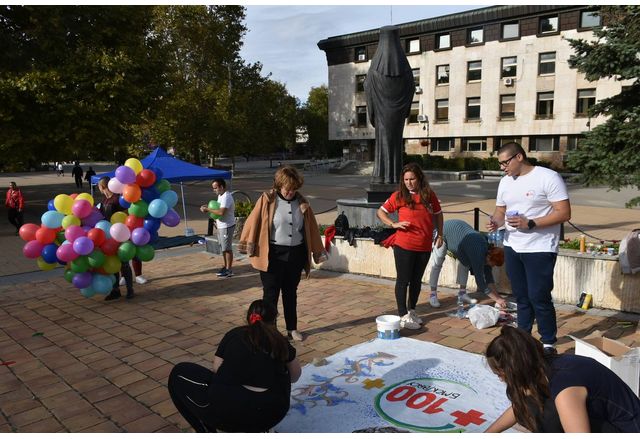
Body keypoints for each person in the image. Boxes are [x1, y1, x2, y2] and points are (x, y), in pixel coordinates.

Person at [487, 142, 571, 354]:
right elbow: (500, 210)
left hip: (540, 247)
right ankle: (522, 337)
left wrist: (531, 223)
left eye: (505, 162)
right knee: (521, 296)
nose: (502, 167)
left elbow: (564, 212)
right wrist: (495, 221)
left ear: (519, 157)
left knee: (539, 296)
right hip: (513, 245)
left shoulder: (547, 177)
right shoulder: (505, 182)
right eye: (499, 164)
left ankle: (548, 342)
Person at [168, 299, 301, 432]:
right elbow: (295, 376)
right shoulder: (280, 342)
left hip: (230, 414)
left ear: (249, 317)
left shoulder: (234, 335)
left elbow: (216, 368)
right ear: (274, 320)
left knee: (178, 374)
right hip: (272, 413)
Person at [485, 326, 640, 433]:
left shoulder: (565, 388)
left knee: (547, 416)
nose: (500, 380)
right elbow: (518, 406)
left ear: (518, 371)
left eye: (501, 375)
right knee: (531, 402)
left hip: (627, 429)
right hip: (605, 420)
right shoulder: (541, 365)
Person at [238, 166, 327, 342]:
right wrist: (248, 244)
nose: (290, 192)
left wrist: (316, 251)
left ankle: (291, 329)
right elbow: (252, 222)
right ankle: (269, 331)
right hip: (272, 255)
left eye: (294, 189)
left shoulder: (302, 203)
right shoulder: (267, 200)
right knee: (270, 295)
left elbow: (311, 229)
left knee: (290, 293)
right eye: (287, 189)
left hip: (295, 254)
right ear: (279, 186)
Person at [377, 162, 443, 330]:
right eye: (406, 179)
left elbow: (438, 214)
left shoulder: (429, 195)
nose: (408, 182)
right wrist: (393, 224)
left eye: (412, 179)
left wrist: (440, 234)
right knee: (403, 280)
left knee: (416, 281)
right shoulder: (398, 196)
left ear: (419, 178)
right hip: (404, 246)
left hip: (424, 246)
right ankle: (402, 315)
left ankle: (412, 310)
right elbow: (381, 212)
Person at [364, 26, 415, 184]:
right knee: (396, 144)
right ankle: (395, 177)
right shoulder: (405, 68)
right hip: (397, 116)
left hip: (381, 116)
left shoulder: (374, 70)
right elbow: (411, 88)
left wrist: (372, 113)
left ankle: (380, 176)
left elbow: (368, 88)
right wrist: (404, 109)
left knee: (382, 144)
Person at [428, 219, 507, 308]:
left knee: (465, 263)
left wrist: (498, 297)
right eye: (494, 264)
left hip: (462, 237)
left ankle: (462, 294)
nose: (493, 266)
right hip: (445, 232)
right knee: (437, 263)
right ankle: (433, 294)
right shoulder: (478, 254)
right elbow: (481, 283)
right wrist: (497, 299)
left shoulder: (488, 251)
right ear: (489, 257)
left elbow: (488, 277)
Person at [97, 176, 134, 300]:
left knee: (124, 262)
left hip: (120, 234)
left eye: (99, 187)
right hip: (108, 235)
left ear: (102, 187)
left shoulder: (118, 199)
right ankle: (115, 290)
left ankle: (130, 289)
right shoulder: (104, 200)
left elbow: (127, 214)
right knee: (112, 263)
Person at [200, 179, 235, 278]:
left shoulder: (226, 197)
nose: (214, 190)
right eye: (213, 188)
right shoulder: (220, 196)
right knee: (223, 248)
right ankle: (226, 266)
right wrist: (207, 208)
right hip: (221, 226)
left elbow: (221, 212)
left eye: (215, 188)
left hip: (227, 226)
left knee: (227, 249)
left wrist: (207, 209)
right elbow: (217, 209)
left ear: (222, 187)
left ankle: (229, 270)